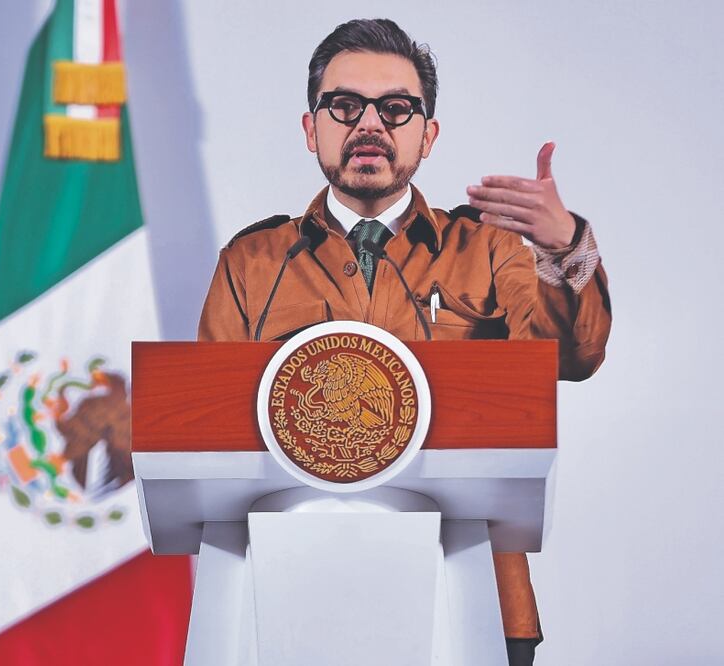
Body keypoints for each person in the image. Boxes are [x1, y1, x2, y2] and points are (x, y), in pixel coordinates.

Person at [198, 18, 611, 665]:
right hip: (285, 594)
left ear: (428, 134)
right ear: (312, 129)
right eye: (344, 105)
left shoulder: (488, 250)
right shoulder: (253, 261)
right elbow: (203, 434)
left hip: (468, 589)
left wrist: (566, 248)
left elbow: (574, 355)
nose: (369, 124)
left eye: (395, 108)